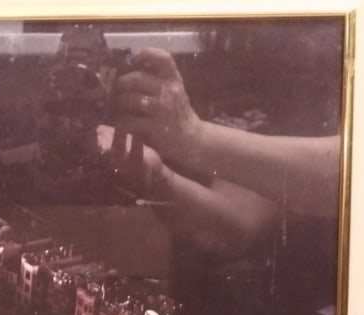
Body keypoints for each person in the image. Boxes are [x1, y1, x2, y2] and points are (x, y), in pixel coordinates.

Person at [97, 47, 342, 256]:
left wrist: (192, 136)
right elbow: (237, 222)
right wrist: (160, 180)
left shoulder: (319, 55)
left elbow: (348, 175)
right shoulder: (228, 50)